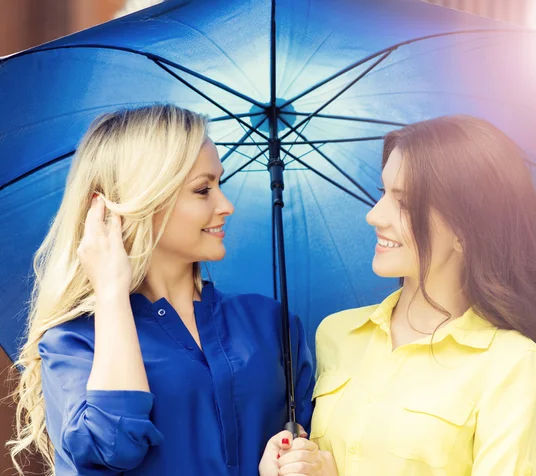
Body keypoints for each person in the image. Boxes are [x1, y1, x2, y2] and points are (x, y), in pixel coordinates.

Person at [9, 105, 314, 476]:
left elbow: (312, 437)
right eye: (203, 189)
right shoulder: (75, 343)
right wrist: (111, 292)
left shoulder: (270, 322)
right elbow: (112, 448)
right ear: (142, 199)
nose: (226, 206)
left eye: (220, 184)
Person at [269, 115, 536, 476]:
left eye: (404, 203)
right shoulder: (336, 333)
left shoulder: (510, 363)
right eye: (382, 193)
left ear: (465, 231)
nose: (374, 216)